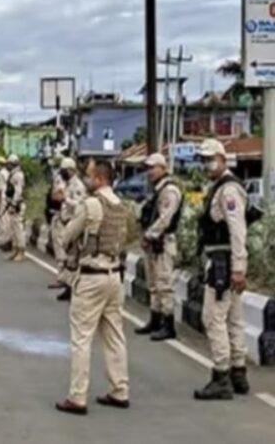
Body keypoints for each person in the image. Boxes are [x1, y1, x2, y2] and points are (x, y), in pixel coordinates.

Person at [55, 161, 129, 416]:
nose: (86, 179)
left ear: (99, 178)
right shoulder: (121, 206)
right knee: (114, 336)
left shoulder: (91, 205)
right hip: (114, 275)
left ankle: (77, 397)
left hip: (91, 277)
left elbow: (66, 236)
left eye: (89, 175)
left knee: (81, 338)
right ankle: (120, 390)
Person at [194, 139, 250, 400]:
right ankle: (238, 372)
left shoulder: (228, 190)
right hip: (225, 260)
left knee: (213, 318)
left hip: (223, 262)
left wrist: (238, 267)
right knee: (233, 318)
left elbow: (238, 230)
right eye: (203, 160)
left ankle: (222, 375)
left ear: (223, 159)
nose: (206, 164)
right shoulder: (221, 186)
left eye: (210, 159)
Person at [137, 153, 184, 341]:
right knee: (154, 284)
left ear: (163, 168)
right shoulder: (157, 189)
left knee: (164, 284)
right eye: (148, 168)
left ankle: (168, 324)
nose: (149, 172)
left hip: (163, 242)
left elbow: (165, 219)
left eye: (153, 167)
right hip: (154, 242)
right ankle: (155, 319)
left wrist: (149, 234)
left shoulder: (170, 190)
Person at [52, 158, 88, 302]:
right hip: (64, 221)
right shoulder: (66, 183)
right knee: (67, 257)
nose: (62, 173)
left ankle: (73, 288)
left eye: (64, 170)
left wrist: (65, 199)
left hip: (73, 223)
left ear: (71, 170)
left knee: (72, 258)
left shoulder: (78, 186)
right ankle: (68, 286)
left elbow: (80, 205)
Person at [5, 155, 26, 262]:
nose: (7, 166)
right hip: (12, 204)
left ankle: (21, 251)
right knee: (13, 229)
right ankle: (15, 249)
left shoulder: (18, 175)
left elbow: (18, 192)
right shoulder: (13, 174)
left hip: (17, 205)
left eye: (9, 164)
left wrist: (13, 204)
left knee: (18, 229)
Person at [0, 156, 11, 251]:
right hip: (7, 198)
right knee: (6, 220)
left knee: (2, 220)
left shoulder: (0, 174)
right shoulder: (8, 173)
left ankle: (3, 242)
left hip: (2, 198)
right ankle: (5, 241)